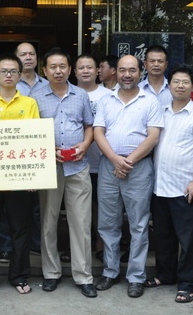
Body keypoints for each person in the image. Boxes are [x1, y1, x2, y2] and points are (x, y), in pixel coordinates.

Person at [93, 54, 163, 298]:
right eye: (122, 70)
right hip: (108, 166)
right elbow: (98, 132)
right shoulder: (106, 100)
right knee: (108, 223)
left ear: (140, 72)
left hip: (139, 168)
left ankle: (136, 277)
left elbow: (153, 136)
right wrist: (115, 159)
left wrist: (128, 161)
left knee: (139, 224)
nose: (127, 75)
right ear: (116, 72)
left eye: (132, 70)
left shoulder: (150, 101)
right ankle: (110, 272)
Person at [30, 48, 96, 298]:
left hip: (78, 166)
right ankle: (51, 273)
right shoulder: (35, 97)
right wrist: (48, 149)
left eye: (62, 66)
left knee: (81, 223)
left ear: (70, 69)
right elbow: (31, 133)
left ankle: (83, 276)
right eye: (52, 67)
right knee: (48, 222)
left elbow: (89, 126)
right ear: (44, 71)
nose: (58, 71)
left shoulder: (81, 95)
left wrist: (85, 145)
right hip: (49, 168)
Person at [0, 54, 40, 297]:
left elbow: (33, 138)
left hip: (19, 177)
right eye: (4, 71)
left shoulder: (29, 103)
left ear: (20, 76)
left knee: (19, 229)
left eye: (13, 71)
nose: (9, 75)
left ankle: (19, 276)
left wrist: (33, 177)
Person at [147, 65, 193, 303]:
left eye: (185, 82)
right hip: (160, 187)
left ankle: (187, 283)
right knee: (163, 236)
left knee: (188, 240)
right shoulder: (161, 112)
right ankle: (165, 274)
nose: (180, 86)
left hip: (184, 188)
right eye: (176, 81)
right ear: (170, 85)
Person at [0, 42, 46, 262]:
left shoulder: (42, 88)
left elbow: (35, 130)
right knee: (5, 208)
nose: (28, 57)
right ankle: (6, 247)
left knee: (32, 206)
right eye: (23, 54)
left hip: (26, 158)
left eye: (32, 53)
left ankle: (34, 245)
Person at [74, 54, 111, 262]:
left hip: (101, 162)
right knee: (78, 209)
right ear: (74, 71)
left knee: (101, 207)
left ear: (97, 70)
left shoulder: (109, 95)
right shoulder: (69, 92)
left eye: (90, 67)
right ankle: (78, 248)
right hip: (74, 163)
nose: (85, 71)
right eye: (81, 67)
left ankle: (100, 245)